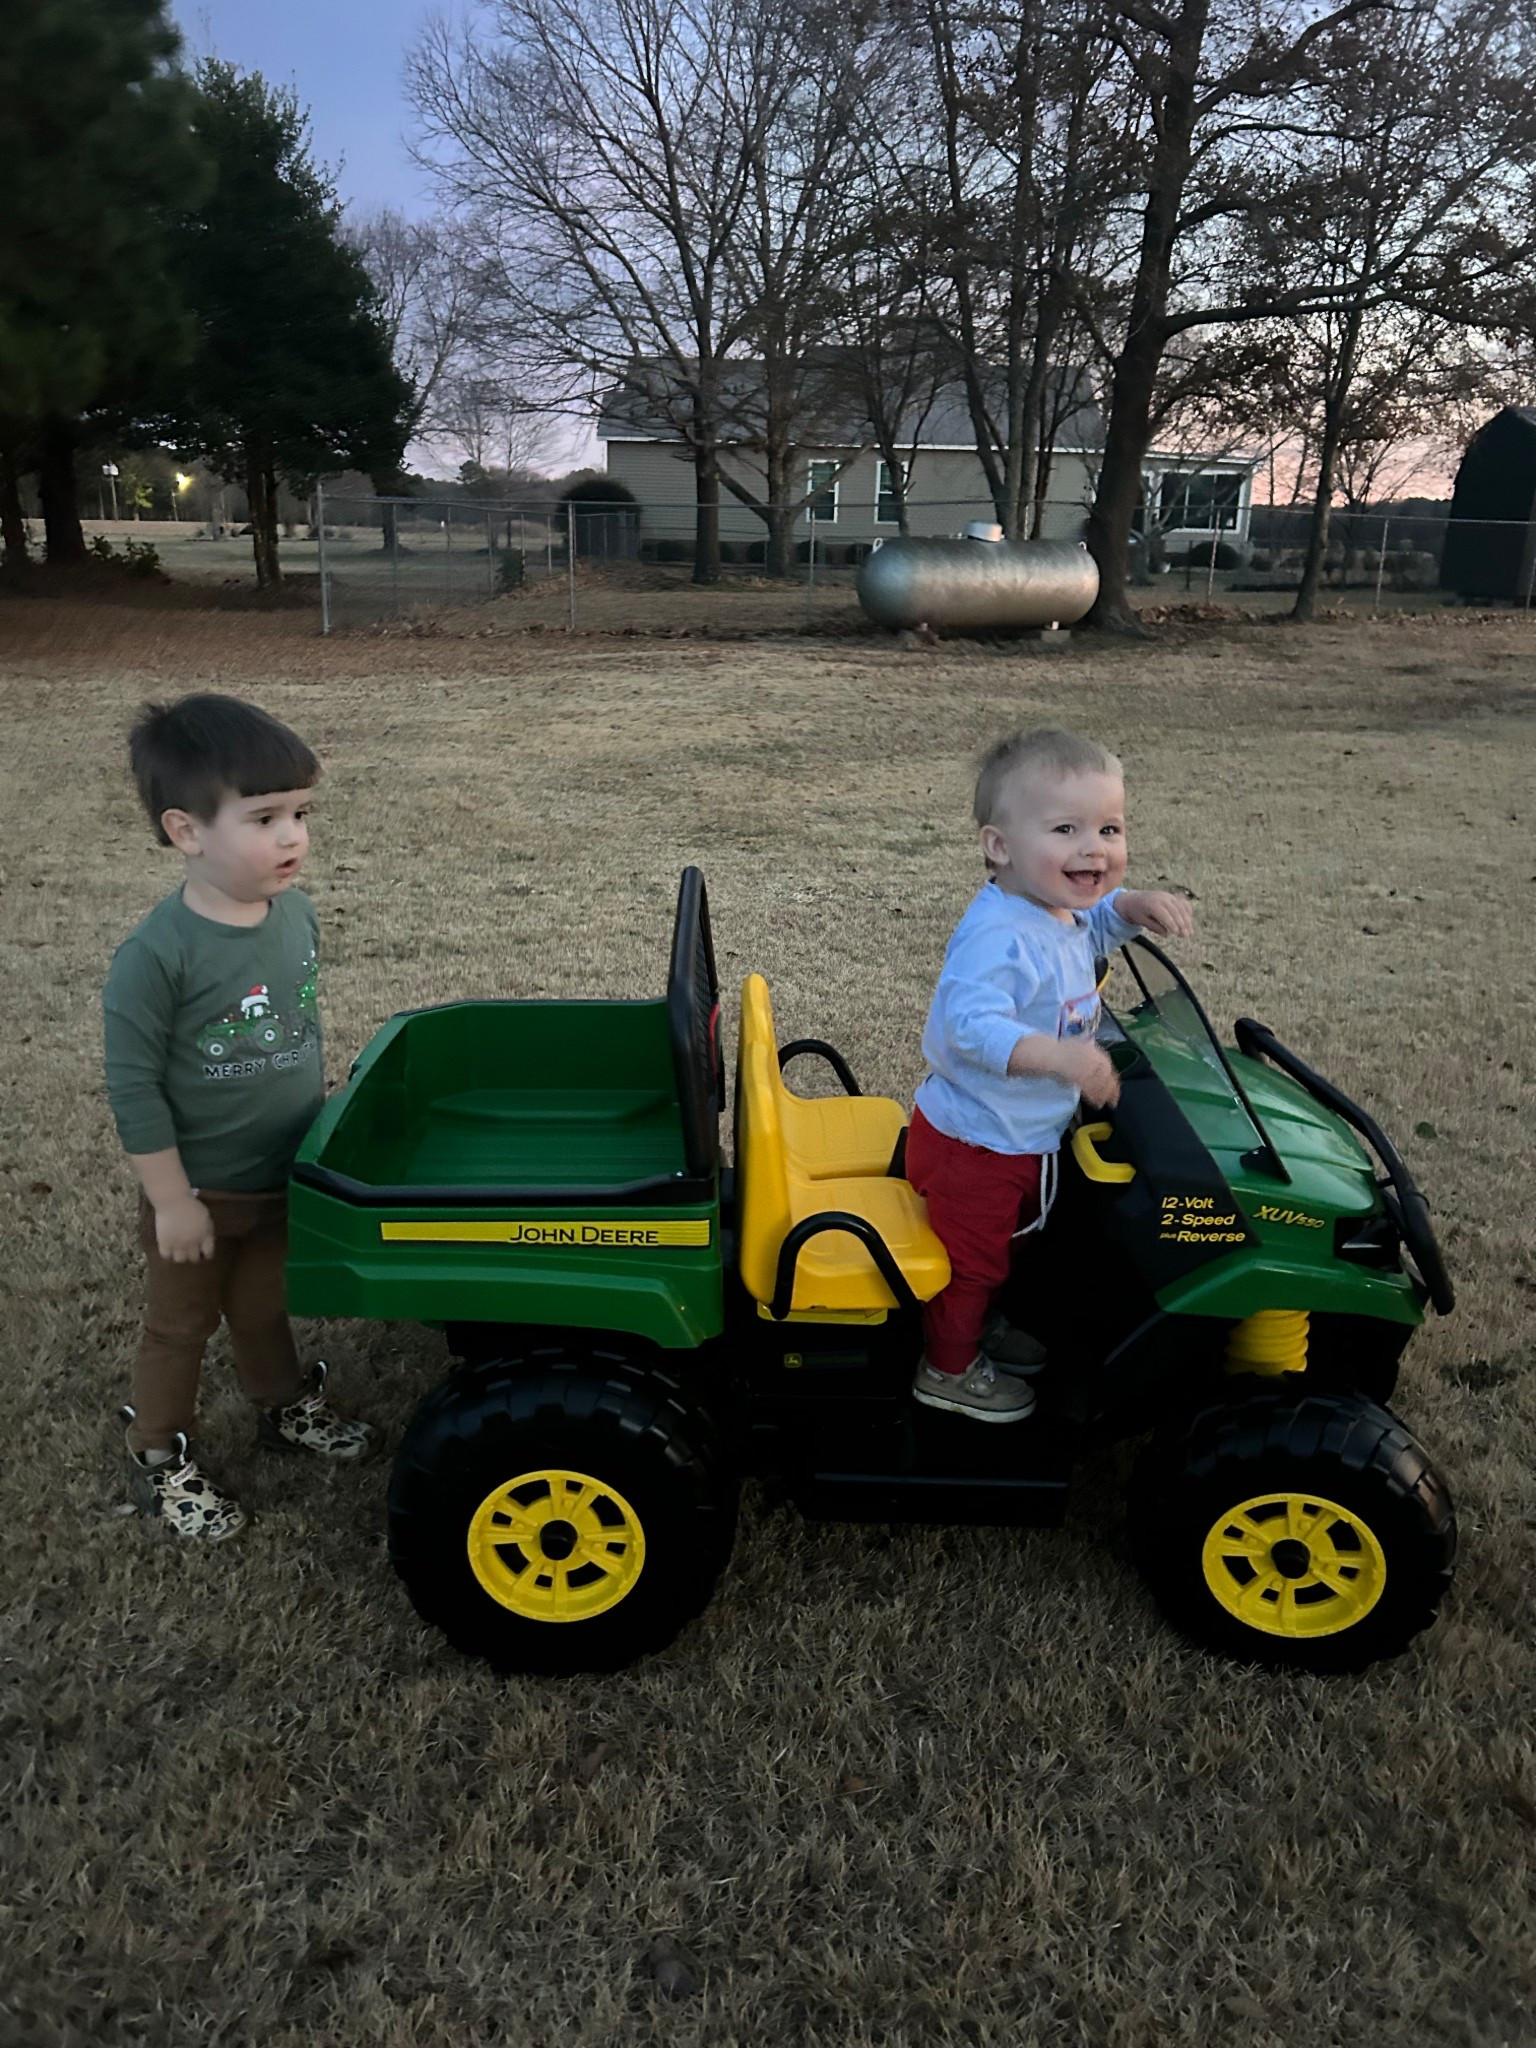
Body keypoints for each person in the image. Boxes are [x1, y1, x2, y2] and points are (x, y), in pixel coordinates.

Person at [103, 693, 374, 1541]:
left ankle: (282, 1404)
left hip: (281, 1174)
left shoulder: (295, 913)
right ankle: (158, 1457)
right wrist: (173, 1199)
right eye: (265, 818)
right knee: (179, 1324)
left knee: (264, 1302)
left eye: (301, 813)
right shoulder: (157, 956)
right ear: (187, 832)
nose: (293, 836)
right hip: (201, 1191)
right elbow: (134, 1085)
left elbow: (301, 1026)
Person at [908, 727, 1194, 1423]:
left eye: (1109, 827)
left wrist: (1130, 906)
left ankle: (976, 1321)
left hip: (1019, 1136)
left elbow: (1090, 927)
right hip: (978, 1144)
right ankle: (945, 1367)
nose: (1093, 848)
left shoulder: (1052, 909)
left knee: (1007, 1246)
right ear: (999, 847)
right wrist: (1062, 1057)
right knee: (973, 1260)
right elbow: (969, 1028)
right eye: (1065, 829)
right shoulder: (998, 936)